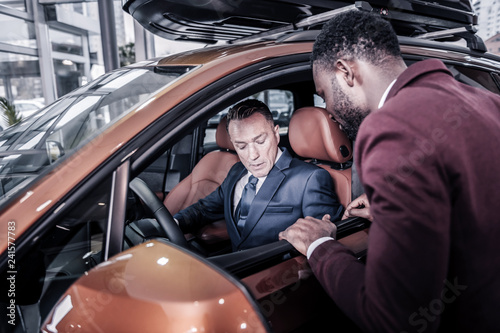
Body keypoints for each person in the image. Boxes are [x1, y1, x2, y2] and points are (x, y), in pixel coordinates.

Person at [279, 10, 500, 332]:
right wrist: (395, 210)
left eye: (324, 93)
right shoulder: (485, 101)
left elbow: (395, 317)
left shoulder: (390, 127)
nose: (328, 110)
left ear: (344, 71)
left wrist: (319, 246)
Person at [174, 99, 343, 251]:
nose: (252, 155)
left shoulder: (310, 179)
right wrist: (174, 223)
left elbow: (323, 246)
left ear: (276, 134)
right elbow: (205, 209)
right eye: (241, 146)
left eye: (260, 142)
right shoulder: (236, 172)